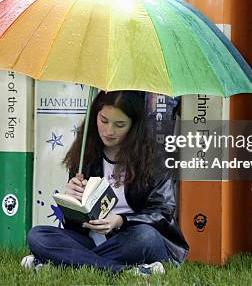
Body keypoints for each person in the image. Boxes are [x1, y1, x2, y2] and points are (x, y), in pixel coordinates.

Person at [22, 90, 188, 275]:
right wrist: (72, 201)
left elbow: (162, 213)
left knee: (145, 236)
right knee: (37, 235)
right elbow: (74, 227)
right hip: (94, 241)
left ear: (134, 126)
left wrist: (120, 221)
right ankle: (123, 271)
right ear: (95, 116)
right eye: (104, 120)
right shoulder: (86, 153)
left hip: (133, 240)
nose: (109, 131)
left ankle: (65, 262)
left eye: (119, 125)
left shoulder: (154, 158)